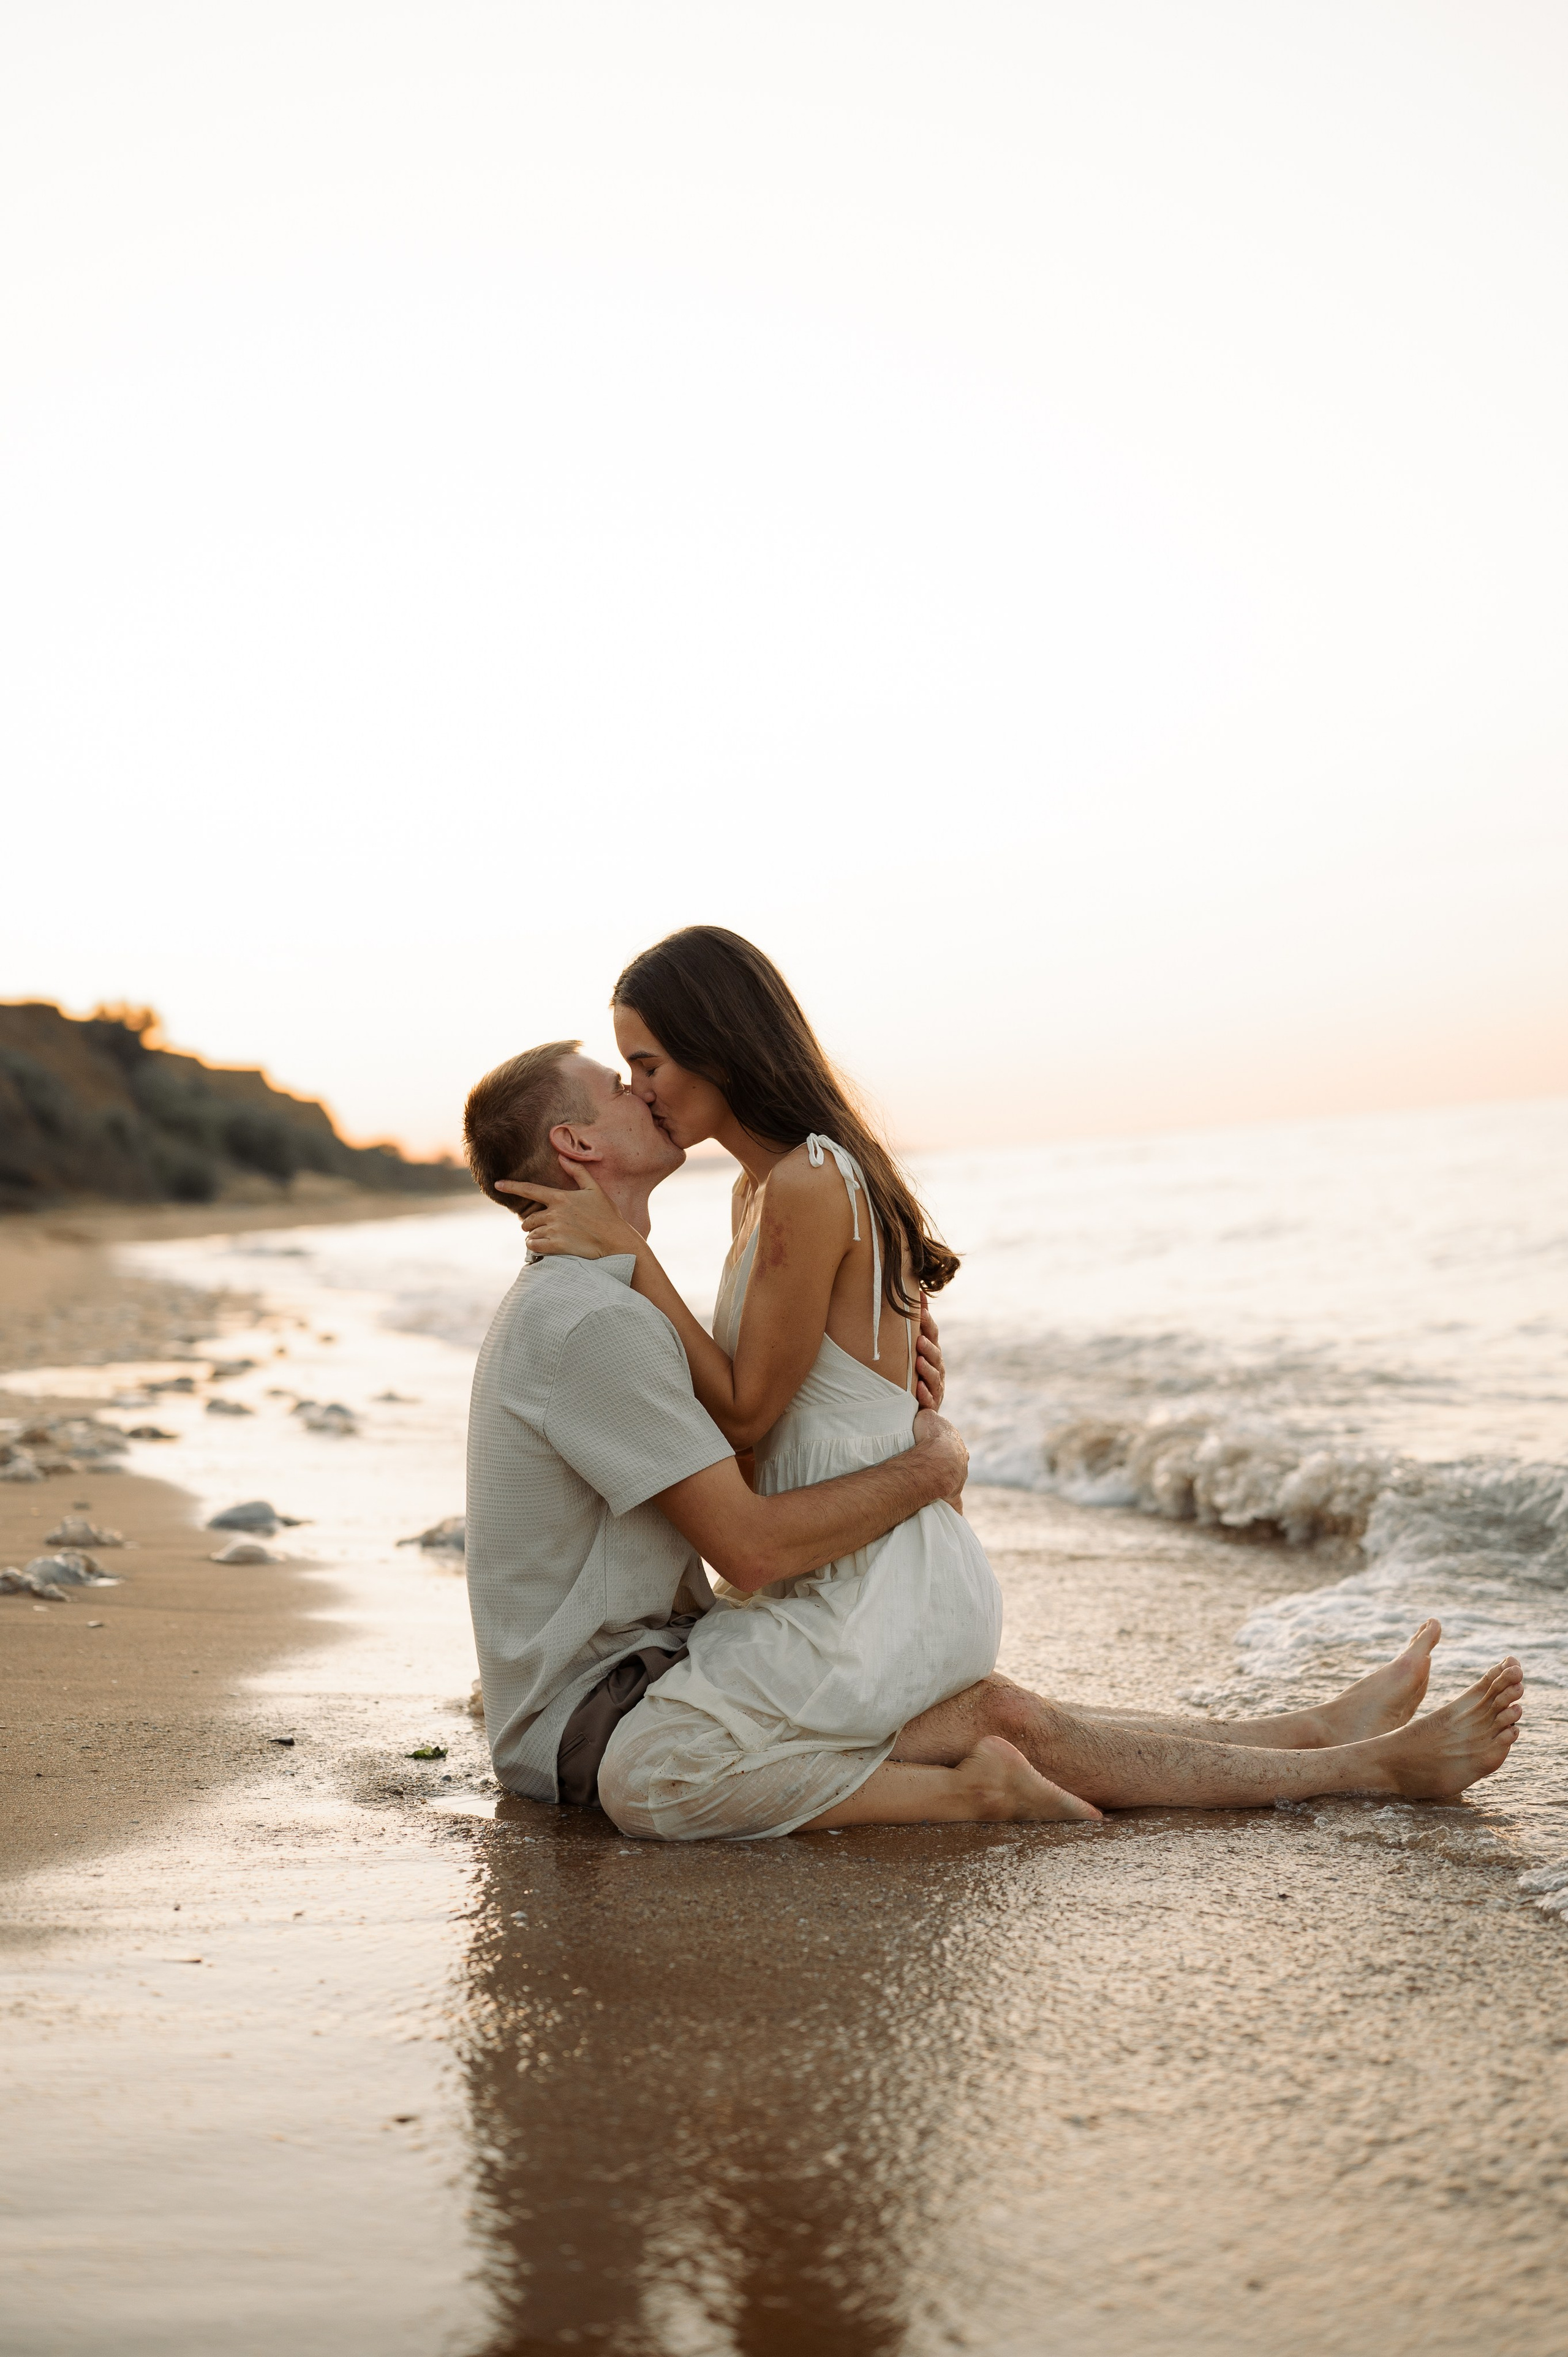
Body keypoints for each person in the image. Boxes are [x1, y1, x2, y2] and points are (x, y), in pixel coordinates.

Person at [469, 1000, 1524, 1839]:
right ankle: (1337, 1763)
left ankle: (1315, 1744)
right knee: (933, 1728)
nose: (643, 1089)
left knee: (994, 1711)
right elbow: (745, 1537)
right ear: (576, 1141)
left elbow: (750, 1435)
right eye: (621, 1081)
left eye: (644, 1064)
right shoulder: (588, 1320)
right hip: (598, 1719)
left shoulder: (622, 1296)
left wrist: (885, 1389)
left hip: (657, 1664)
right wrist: (928, 1466)